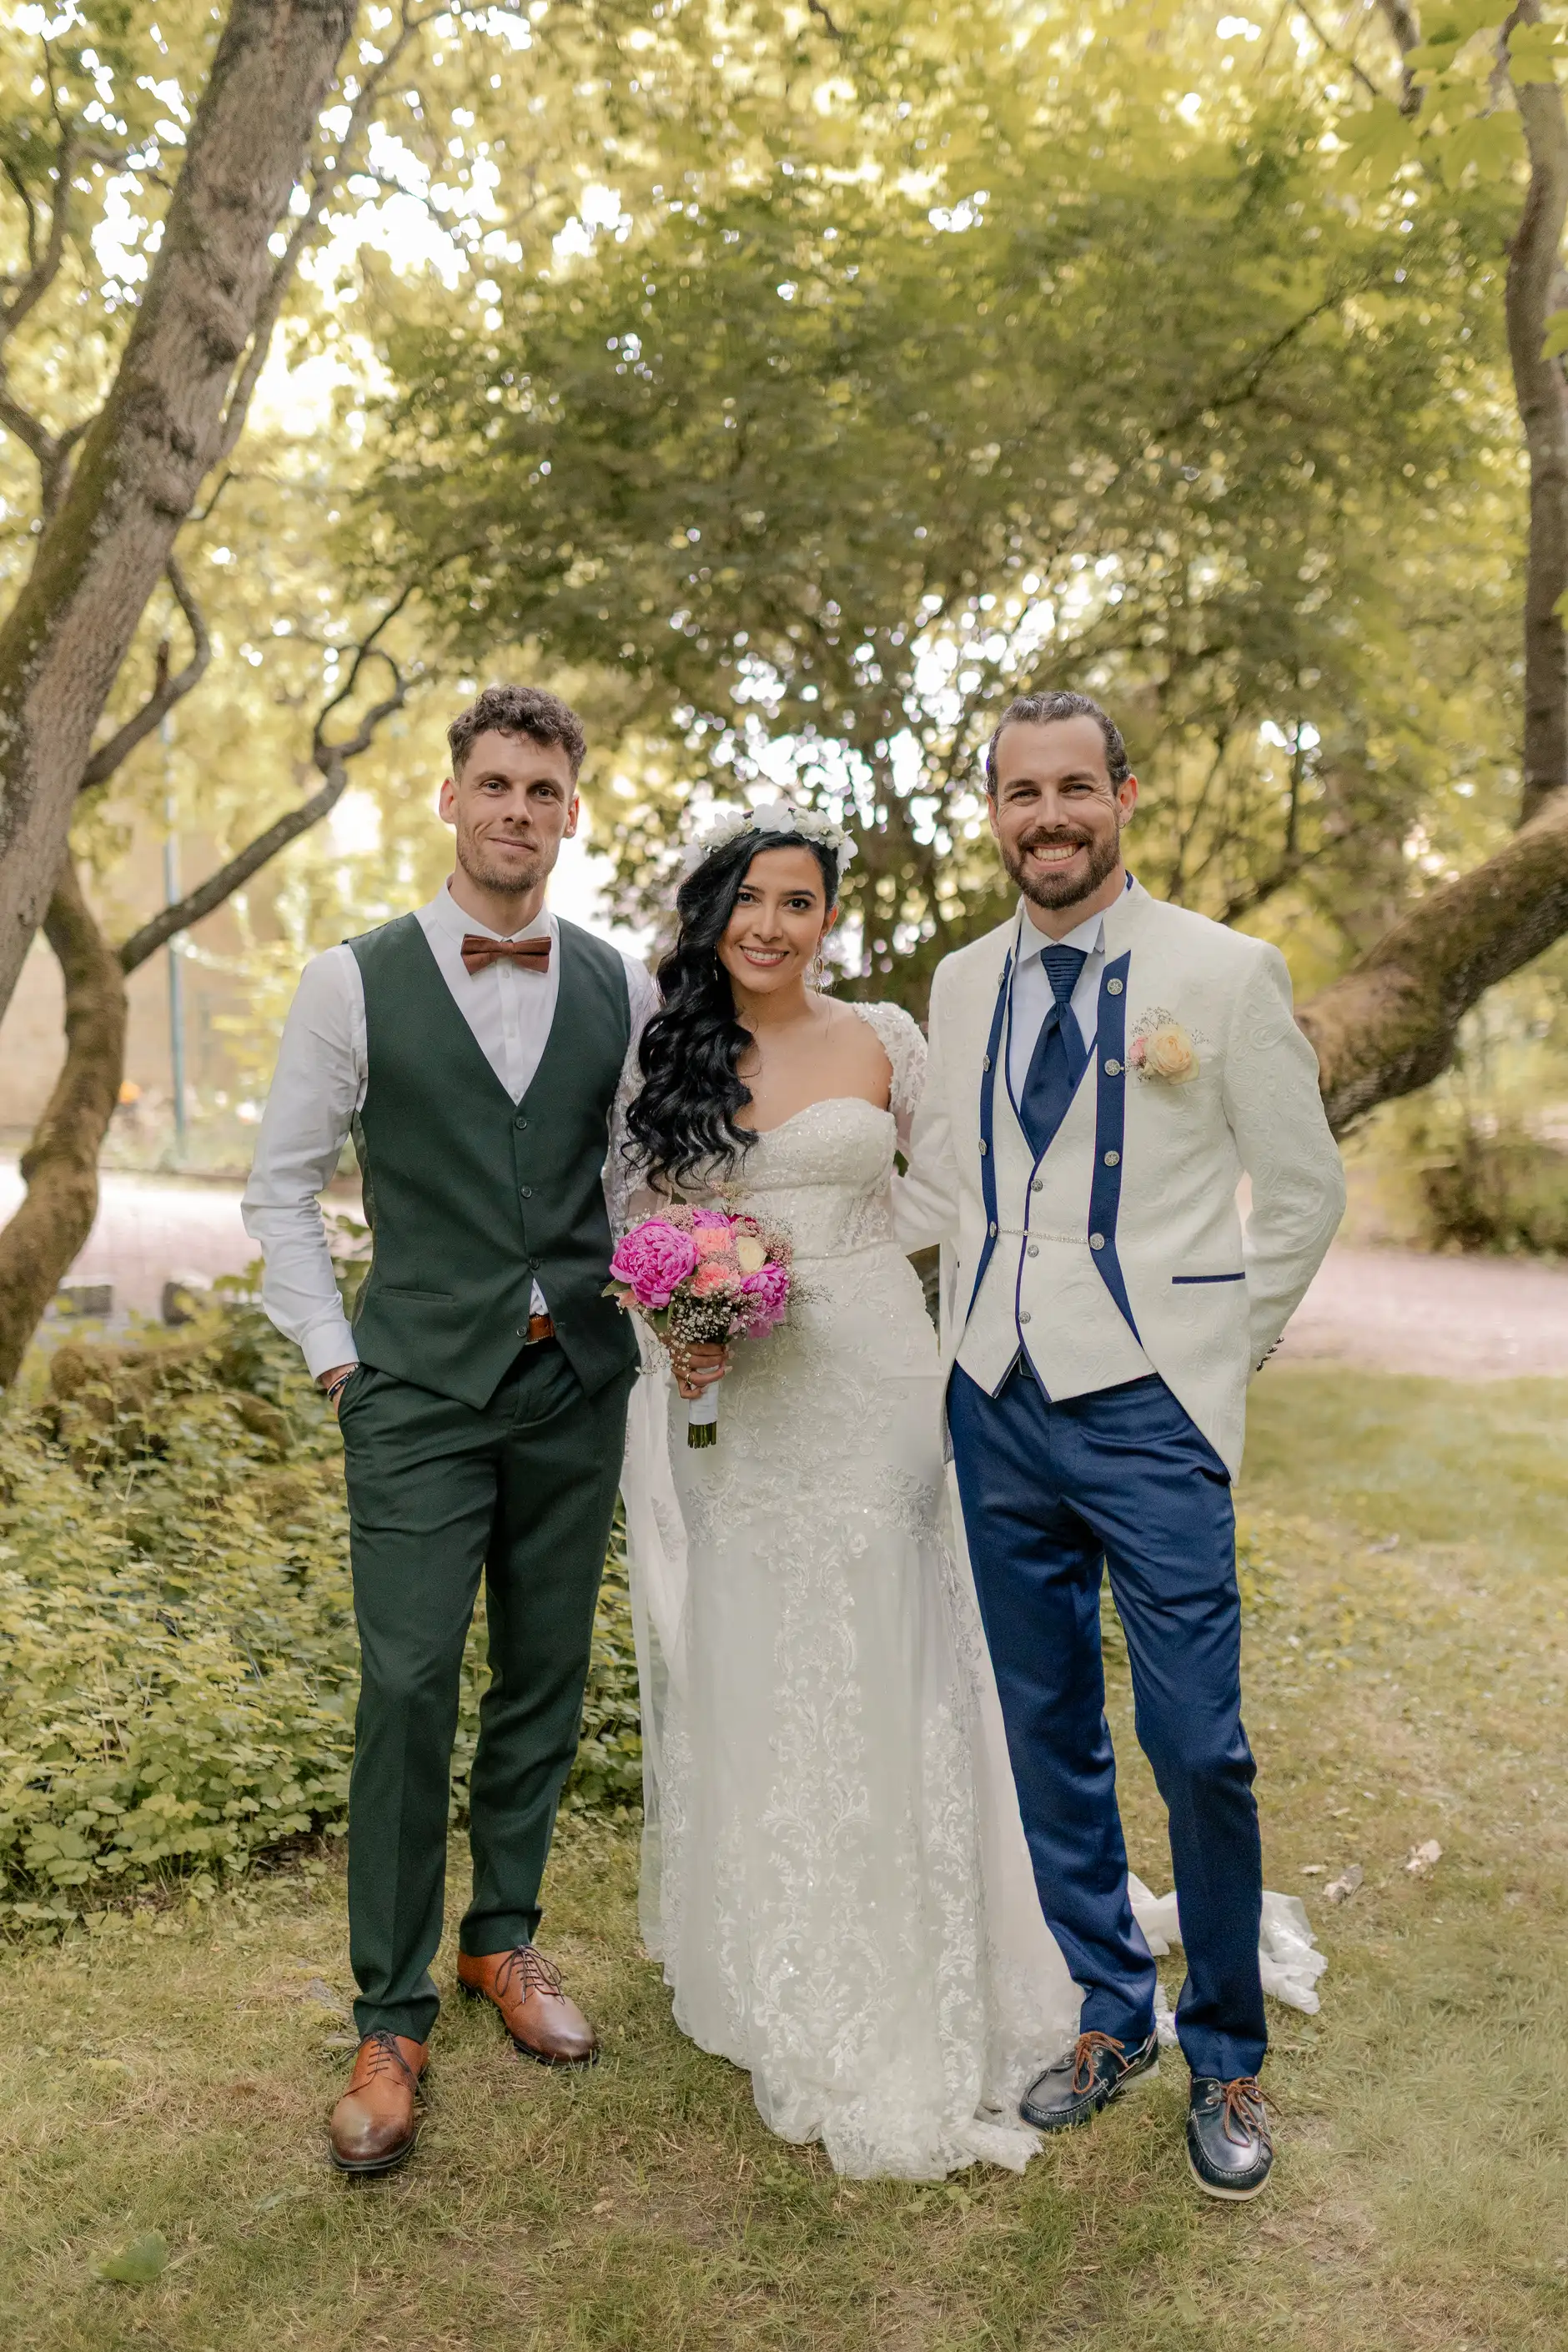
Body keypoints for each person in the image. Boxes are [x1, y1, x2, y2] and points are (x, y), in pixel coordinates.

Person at [896, 689, 1346, 2200]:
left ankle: (1227, 2055)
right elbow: (953, 1189)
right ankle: (1113, 2012)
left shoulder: (1223, 975)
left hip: (1152, 1414)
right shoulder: (963, 987)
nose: (1050, 818)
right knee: (1048, 1730)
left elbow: (1302, 1194)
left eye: (1075, 788)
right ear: (994, 813)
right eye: (1021, 794)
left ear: (1125, 797)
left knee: (1198, 1744)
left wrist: (1215, 1359)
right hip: (995, 1403)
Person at [615, 803, 1083, 2180]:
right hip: (742, 1401)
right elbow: (641, 1226)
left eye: (799, 902)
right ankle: (782, 1937)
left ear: (831, 919)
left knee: (890, 1632)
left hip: (878, 1378)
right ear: (713, 915)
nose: (771, 924)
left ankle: (928, 1929)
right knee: (760, 1640)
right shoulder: (669, 1054)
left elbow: (955, 1197)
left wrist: (838, 1259)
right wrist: (690, 1322)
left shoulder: (887, 1037)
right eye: (749, 899)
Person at [243, 684, 656, 2174]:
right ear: (447, 800)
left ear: (569, 812)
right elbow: (279, 1187)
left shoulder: (621, 983)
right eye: (494, 784)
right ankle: (392, 2013)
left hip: (575, 1389)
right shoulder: (351, 982)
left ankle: (506, 1942)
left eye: (544, 791)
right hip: (414, 1391)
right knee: (411, 1687)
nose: (517, 812)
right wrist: (338, 1357)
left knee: (545, 1675)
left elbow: (639, 1183)